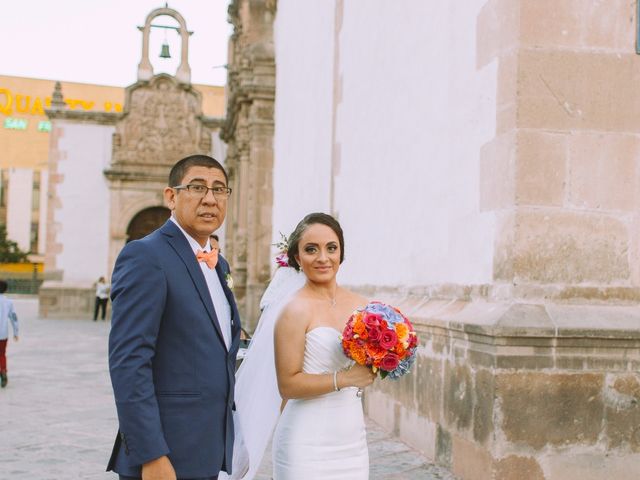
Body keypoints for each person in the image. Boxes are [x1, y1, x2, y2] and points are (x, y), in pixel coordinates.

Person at [107, 154, 242, 480]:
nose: (210, 199)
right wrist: (151, 453)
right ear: (171, 196)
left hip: (207, 449)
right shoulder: (146, 256)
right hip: (164, 454)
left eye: (220, 189)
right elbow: (129, 361)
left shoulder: (219, 264)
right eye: (197, 187)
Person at [223, 213, 375, 480]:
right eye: (311, 250)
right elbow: (288, 385)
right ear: (296, 258)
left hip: (352, 440)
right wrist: (346, 378)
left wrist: (389, 358)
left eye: (331, 248)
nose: (322, 258)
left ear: (341, 253)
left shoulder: (362, 305)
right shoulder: (293, 310)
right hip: (306, 441)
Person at [0, 279, 18, 388]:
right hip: (3, 333)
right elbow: (14, 318)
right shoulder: (9, 302)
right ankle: (3, 371)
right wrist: (16, 332)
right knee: (2, 354)